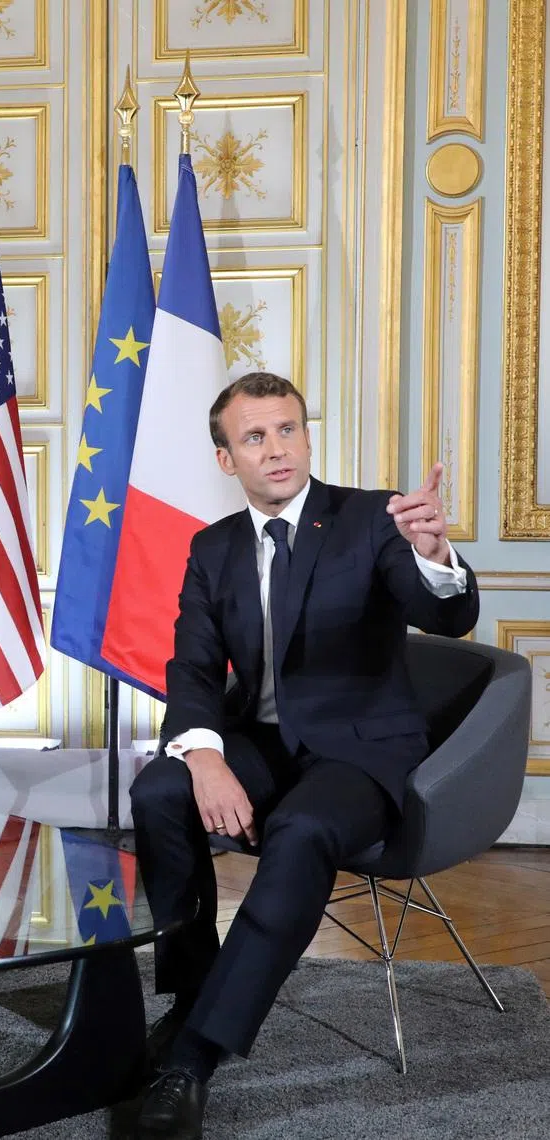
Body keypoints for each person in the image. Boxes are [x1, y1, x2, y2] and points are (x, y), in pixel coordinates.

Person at [130, 372, 478, 1139]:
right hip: (259, 743)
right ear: (227, 459)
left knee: (303, 830)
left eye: (288, 428)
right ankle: (194, 991)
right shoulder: (212, 547)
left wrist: (434, 552)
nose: (277, 448)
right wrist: (204, 758)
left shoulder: (370, 518)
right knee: (158, 792)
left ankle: (192, 1056)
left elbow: (445, 615)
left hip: (359, 750)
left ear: (306, 434)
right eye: (255, 436)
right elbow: (191, 667)